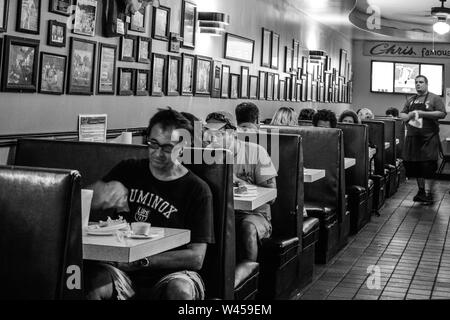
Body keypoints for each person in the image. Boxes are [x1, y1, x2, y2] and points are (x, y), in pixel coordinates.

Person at [84, 108, 215, 300]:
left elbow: (196, 257)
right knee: (91, 280)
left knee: (180, 291)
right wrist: (101, 192)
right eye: (153, 144)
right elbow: (89, 197)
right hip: (122, 273)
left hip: (174, 273)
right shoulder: (129, 169)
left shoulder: (197, 190)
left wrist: (142, 261)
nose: (158, 153)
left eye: (168, 148)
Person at [203, 111, 277, 262]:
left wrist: (237, 180)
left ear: (234, 132)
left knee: (247, 228)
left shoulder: (257, 152)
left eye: (220, 133)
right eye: (208, 132)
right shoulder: (203, 155)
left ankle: (248, 277)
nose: (213, 138)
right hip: (218, 213)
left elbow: (272, 196)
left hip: (254, 215)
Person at [399, 75, 446, 203]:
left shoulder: (434, 98)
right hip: (414, 138)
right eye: (416, 82)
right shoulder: (411, 100)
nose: (418, 84)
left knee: (429, 166)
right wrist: (408, 115)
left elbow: (442, 113)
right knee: (416, 166)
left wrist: (422, 113)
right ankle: (421, 191)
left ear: (426, 84)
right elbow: (402, 114)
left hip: (429, 137)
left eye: (421, 82)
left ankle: (430, 193)